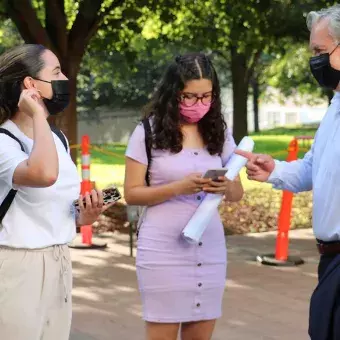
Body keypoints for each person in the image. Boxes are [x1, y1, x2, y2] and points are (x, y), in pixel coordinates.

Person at [235, 5, 340, 339]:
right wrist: (274, 169)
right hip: (331, 261)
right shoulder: (335, 105)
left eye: (320, 52)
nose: (314, 61)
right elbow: (313, 169)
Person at [124, 52, 243, 340]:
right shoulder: (147, 132)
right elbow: (131, 193)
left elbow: (237, 193)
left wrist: (225, 186)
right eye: (190, 96)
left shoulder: (219, 132)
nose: (199, 104)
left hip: (210, 244)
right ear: (173, 93)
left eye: (206, 97)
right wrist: (178, 187)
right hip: (162, 249)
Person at [0, 44, 104, 340]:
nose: (65, 80)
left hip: (58, 260)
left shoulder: (55, 138)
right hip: (16, 266)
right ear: (30, 85)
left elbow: (56, 208)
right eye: (56, 72)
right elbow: (43, 175)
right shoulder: (4, 141)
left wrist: (85, 216)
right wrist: (37, 114)